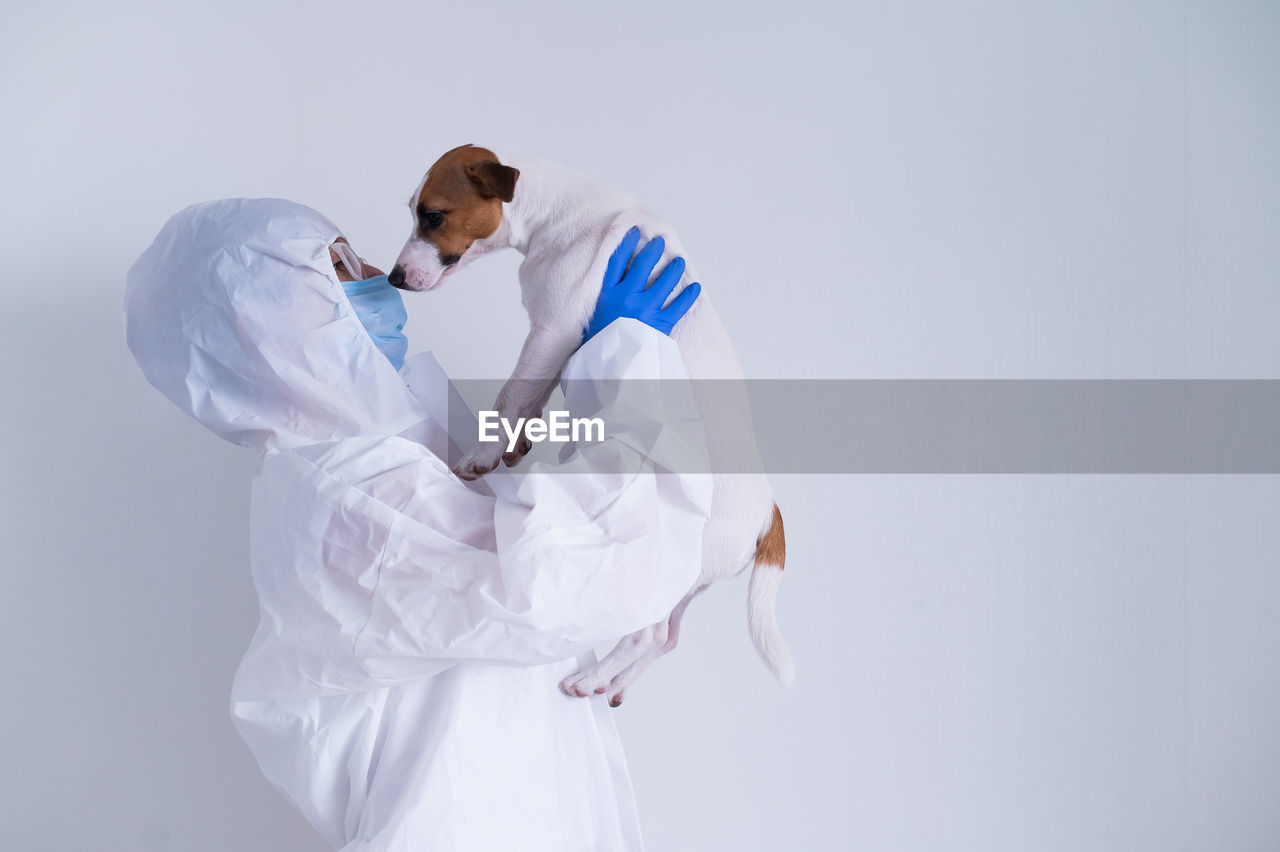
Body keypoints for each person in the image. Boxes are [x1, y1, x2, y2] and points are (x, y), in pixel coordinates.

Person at [124, 198, 708, 851]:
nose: (378, 272)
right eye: (340, 265)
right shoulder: (353, 492)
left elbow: (557, 539)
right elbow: (568, 578)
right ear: (263, 321)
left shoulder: (385, 454)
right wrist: (628, 356)